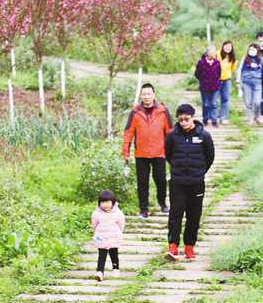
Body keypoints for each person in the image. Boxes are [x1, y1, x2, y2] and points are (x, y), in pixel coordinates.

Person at [164, 104, 215, 261]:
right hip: (177, 182)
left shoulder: (204, 136)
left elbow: (209, 157)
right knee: (175, 214)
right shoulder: (172, 135)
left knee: (194, 216)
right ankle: (173, 247)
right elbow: (168, 155)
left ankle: (189, 248)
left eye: (186, 119)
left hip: (196, 182)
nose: (184, 122)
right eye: (180, 120)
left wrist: (199, 172)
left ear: (193, 117)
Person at [123, 83, 173, 218]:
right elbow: (128, 132)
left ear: (153, 94)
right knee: (142, 183)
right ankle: (143, 209)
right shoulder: (135, 112)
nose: (146, 97)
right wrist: (126, 153)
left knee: (161, 180)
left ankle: (162, 203)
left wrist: (173, 152)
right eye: (144, 94)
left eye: (149, 94)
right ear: (140, 95)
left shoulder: (163, 111)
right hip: (141, 154)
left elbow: (170, 132)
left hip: (159, 152)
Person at [236, 43, 263, 126]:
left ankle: (257, 116)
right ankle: (250, 119)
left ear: (257, 50)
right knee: (248, 102)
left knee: (257, 102)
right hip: (246, 83)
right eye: (250, 49)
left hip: (257, 83)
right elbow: (240, 70)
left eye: (253, 49)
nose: (251, 51)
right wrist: (238, 80)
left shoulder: (262, 59)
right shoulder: (245, 59)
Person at [92, 190, 125, 282]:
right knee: (101, 255)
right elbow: (94, 225)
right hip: (101, 237)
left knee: (113, 253)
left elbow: (121, 224)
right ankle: (100, 272)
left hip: (113, 237)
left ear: (113, 203)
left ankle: (115, 268)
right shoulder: (96, 213)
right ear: (99, 203)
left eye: (107, 202)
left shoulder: (118, 213)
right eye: (103, 202)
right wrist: (97, 234)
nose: (105, 204)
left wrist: (118, 234)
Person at [194, 45, 221, 127]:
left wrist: (215, 79)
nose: (213, 54)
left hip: (215, 86)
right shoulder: (201, 62)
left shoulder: (217, 62)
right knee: (205, 103)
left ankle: (214, 120)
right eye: (212, 52)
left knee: (213, 103)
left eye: (214, 52)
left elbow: (219, 73)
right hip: (204, 86)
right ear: (207, 53)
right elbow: (197, 74)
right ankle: (205, 119)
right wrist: (202, 79)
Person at [216, 40, 237, 125]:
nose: (228, 48)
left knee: (225, 99)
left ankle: (223, 117)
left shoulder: (232, 57)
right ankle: (214, 116)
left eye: (230, 47)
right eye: (226, 46)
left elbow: (232, 69)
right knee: (214, 99)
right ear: (223, 46)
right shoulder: (217, 54)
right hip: (216, 79)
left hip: (227, 80)